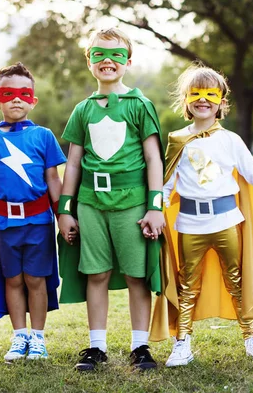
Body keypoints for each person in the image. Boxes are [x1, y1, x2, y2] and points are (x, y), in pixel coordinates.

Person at [149, 64, 253, 366]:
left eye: (211, 93)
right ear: (186, 100)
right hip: (190, 224)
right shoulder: (178, 140)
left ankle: (252, 338)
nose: (203, 99)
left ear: (221, 101)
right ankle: (182, 342)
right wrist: (155, 211)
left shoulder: (231, 140)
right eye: (195, 93)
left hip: (226, 222)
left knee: (237, 280)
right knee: (187, 285)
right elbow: (166, 184)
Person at [57, 28, 164, 371]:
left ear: (128, 62)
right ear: (88, 60)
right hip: (91, 202)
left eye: (116, 55)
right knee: (96, 273)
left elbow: (153, 159)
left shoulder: (140, 105)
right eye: (99, 54)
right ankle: (96, 346)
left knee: (136, 276)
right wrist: (65, 210)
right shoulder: (83, 109)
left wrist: (154, 207)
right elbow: (73, 162)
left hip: (132, 202)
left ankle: (140, 346)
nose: (107, 61)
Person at [0, 62, 66, 361]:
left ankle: (37, 338)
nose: (16, 99)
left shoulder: (44, 136)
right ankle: (19, 336)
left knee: (35, 280)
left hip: (38, 222)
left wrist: (63, 215)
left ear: (33, 100)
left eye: (24, 94)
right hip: (3, 224)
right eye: (8, 93)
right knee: (12, 279)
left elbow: (53, 178)